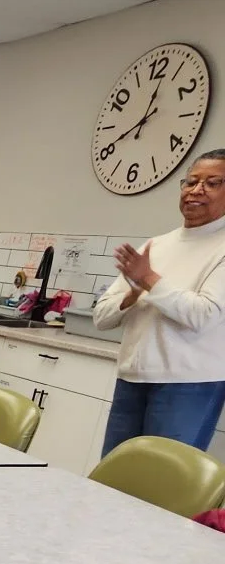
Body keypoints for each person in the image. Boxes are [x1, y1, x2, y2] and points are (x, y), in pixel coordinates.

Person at [92, 150, 225, 455]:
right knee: (114, 475)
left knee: (160, 485)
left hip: (189, 385)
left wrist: (148, 279)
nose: (196, 190)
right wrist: (134, 292)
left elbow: (204, 314)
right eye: (190, 181)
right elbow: (102, 316)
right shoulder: (157, 244)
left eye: (212, 183)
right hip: (132, 379)